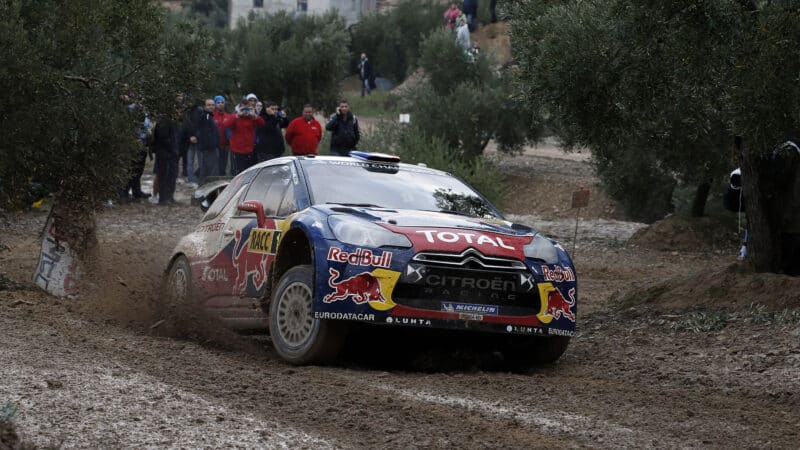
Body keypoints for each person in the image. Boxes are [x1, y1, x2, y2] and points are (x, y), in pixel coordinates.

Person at [119, 102, 151, 202]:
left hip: (143, 142)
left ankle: (136, 191)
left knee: (139, 169)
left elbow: (147, 124)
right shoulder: (130, 110)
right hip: (133, 143)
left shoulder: (144, 110)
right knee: (130, 169)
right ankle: (123, 193)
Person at [224, 96, 265, 176]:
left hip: (249, 149)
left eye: (247, 109)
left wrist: (254, 115)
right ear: (239, 108)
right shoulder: (235, 116)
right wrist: (237, 115)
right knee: (236, 173)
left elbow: (262, 123)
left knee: (247, 172)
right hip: (236, 150)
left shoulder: (252, 117)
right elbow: (227, 124)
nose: (245, 111)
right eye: (243, 109)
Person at [150, 113, 181, 205]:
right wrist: (173, 149)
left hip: (171, 153)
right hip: (165, 154)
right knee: (164, 176)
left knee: (172, 175)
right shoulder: (164, 121)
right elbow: (164, 138)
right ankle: (164, 198)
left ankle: (169, 196)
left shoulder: (174, 122)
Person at [195, 99, 220, 185]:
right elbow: (205, 134)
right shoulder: (206, 116)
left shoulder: (210, 116)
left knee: (205, 171)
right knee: (211, 173)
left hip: (210, 148)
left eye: (212, 105)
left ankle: (202, 190)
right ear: (205, 106)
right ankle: (208, 192)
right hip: (209, 149)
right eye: (209, 105)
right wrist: (211, 146)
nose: (211, 106)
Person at [181, 99, 204, 186]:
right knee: (189, 161)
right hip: (189, 140)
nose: (189, 102)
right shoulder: (185, 112)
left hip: (199, 140)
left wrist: (196, 136)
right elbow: (185, 126)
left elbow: (202, 125)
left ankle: (201, 179)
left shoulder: (200, 110)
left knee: (201, 161)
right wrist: (190, 137)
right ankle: (191, 180)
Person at [212, 95, 231, 176]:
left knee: (223, 165)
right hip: (214, 146)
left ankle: (222, 180)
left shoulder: (228, 116)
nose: (220, 104)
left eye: (222, 102)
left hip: (225, 145)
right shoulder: (211, 116)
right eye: (218, 102)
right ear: (215, 104)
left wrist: (229, 143)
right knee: (215, 165)